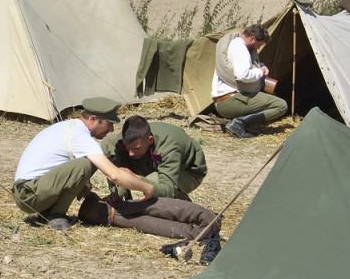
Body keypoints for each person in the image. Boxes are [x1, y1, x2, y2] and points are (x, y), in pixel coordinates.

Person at [77, 115, 222, 264]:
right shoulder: (124, 142)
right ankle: (129, 203)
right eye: (128, 148)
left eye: (136, 148)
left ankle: (184, 207)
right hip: (149, 164)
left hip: (187, 172)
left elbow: (168, 187)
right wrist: (118, 194)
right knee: (110, 148)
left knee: (155, 182)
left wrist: (139, 181)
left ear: (150, 140)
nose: (131, 153)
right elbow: (121, 165)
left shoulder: (169, 145)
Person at [13, 97, 154, 230]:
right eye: (109, 123)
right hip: (29, 194)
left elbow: (64, 175)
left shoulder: (69, 127)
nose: (111, 129)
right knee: (86, 165)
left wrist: (90, 195)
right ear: (93, 119)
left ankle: (48, 212)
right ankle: (56, 215)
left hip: (29, 191)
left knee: (83, 164)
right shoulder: (79, 135)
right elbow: (114, 175)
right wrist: (147, 187)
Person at [212, 23, 287, 138]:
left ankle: (242, 122)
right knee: (281, 105)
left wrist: (260, 65)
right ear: (252, 38)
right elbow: (243, 75)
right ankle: (238, 124)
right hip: (230, 100)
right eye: (259, 44)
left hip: (227, 99)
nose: (258, 48)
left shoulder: (235, 44)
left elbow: (243, 65)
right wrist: (260, 72)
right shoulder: (240, 48)